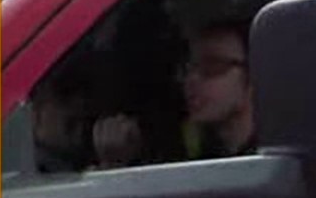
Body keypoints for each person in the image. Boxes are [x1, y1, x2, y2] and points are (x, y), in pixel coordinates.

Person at [93, 16, 259, 168]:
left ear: (253, 75)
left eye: (211, 66)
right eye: (187, 68)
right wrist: (116, 163)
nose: (191, 80)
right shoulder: (199, 156)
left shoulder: (271, 164)